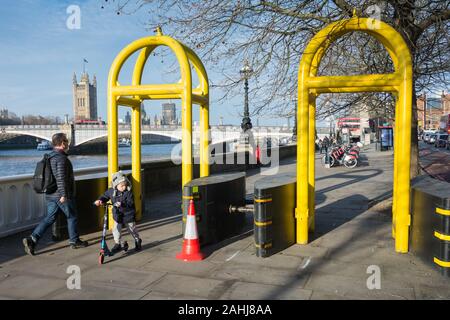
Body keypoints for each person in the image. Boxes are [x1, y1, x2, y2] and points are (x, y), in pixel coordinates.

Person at [23, 133, 88, 256]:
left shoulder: (49, 156)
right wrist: (64, 195)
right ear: (62, 143)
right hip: (61, 195)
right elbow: (61, 178)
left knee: (50, 218)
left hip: (50, 194)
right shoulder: (61, 158)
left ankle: (32, 239)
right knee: (72, 216)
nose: (68, 143)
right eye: (66, 141)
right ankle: (74, 241)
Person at [94, 171, 142, 253]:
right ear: (115, 185)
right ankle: (117, 243)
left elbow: (130, 203)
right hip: (117, 214)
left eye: (125, 185)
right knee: (116, 229)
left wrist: (122, 204)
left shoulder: (128, 193)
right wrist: (100, 200)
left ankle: (137, 239)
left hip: (128, 214)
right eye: (121, 185)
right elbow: (104, 196)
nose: (124, 187)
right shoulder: (111, 191)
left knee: (131, 229)